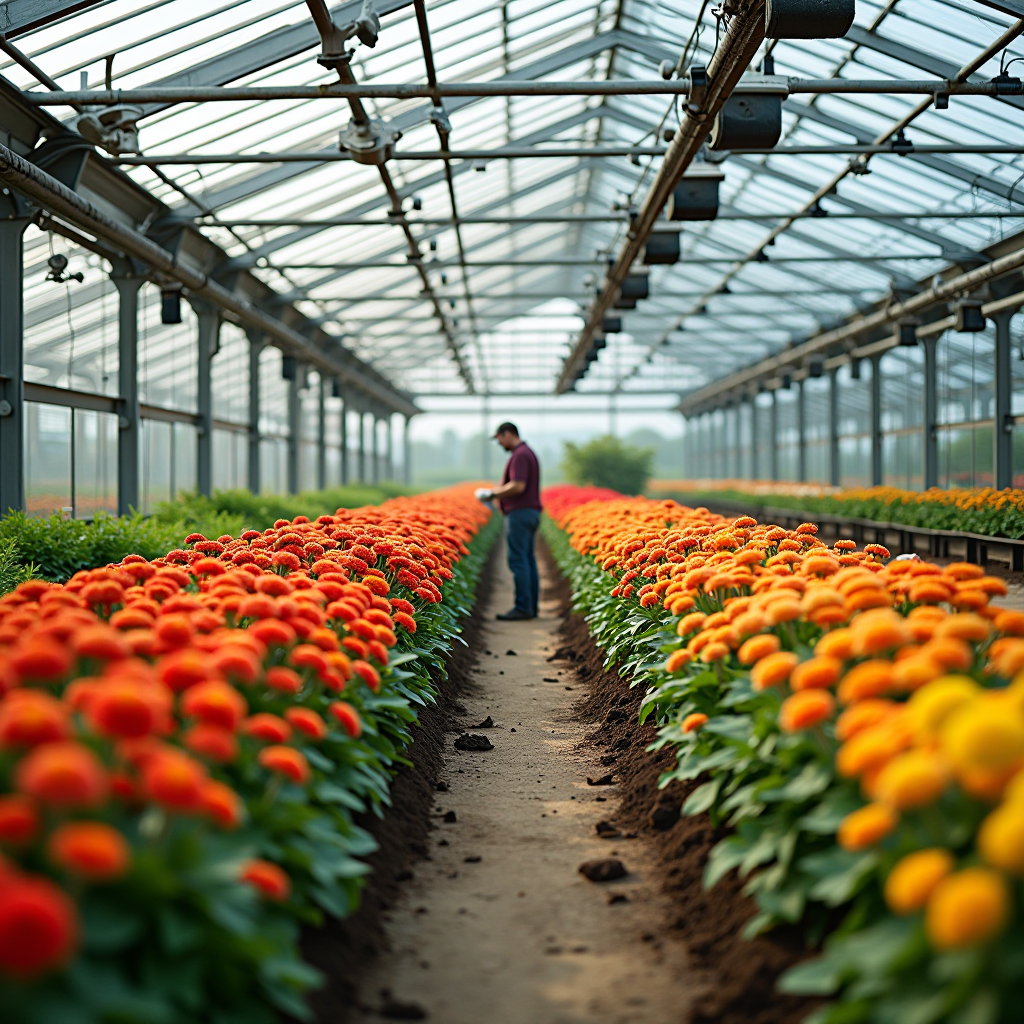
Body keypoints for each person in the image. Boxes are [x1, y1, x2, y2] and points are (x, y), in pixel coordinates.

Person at [477, 422, 541, 620]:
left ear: (508, 433)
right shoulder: (527, 452)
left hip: (519, 514)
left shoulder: (520, 455)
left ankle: (523, 608)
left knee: (519, 561)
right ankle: (530, 607)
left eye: (500, 439)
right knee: (527, 560)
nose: (500, 444)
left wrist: (492, 494)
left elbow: (518, 486)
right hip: (530, 513)